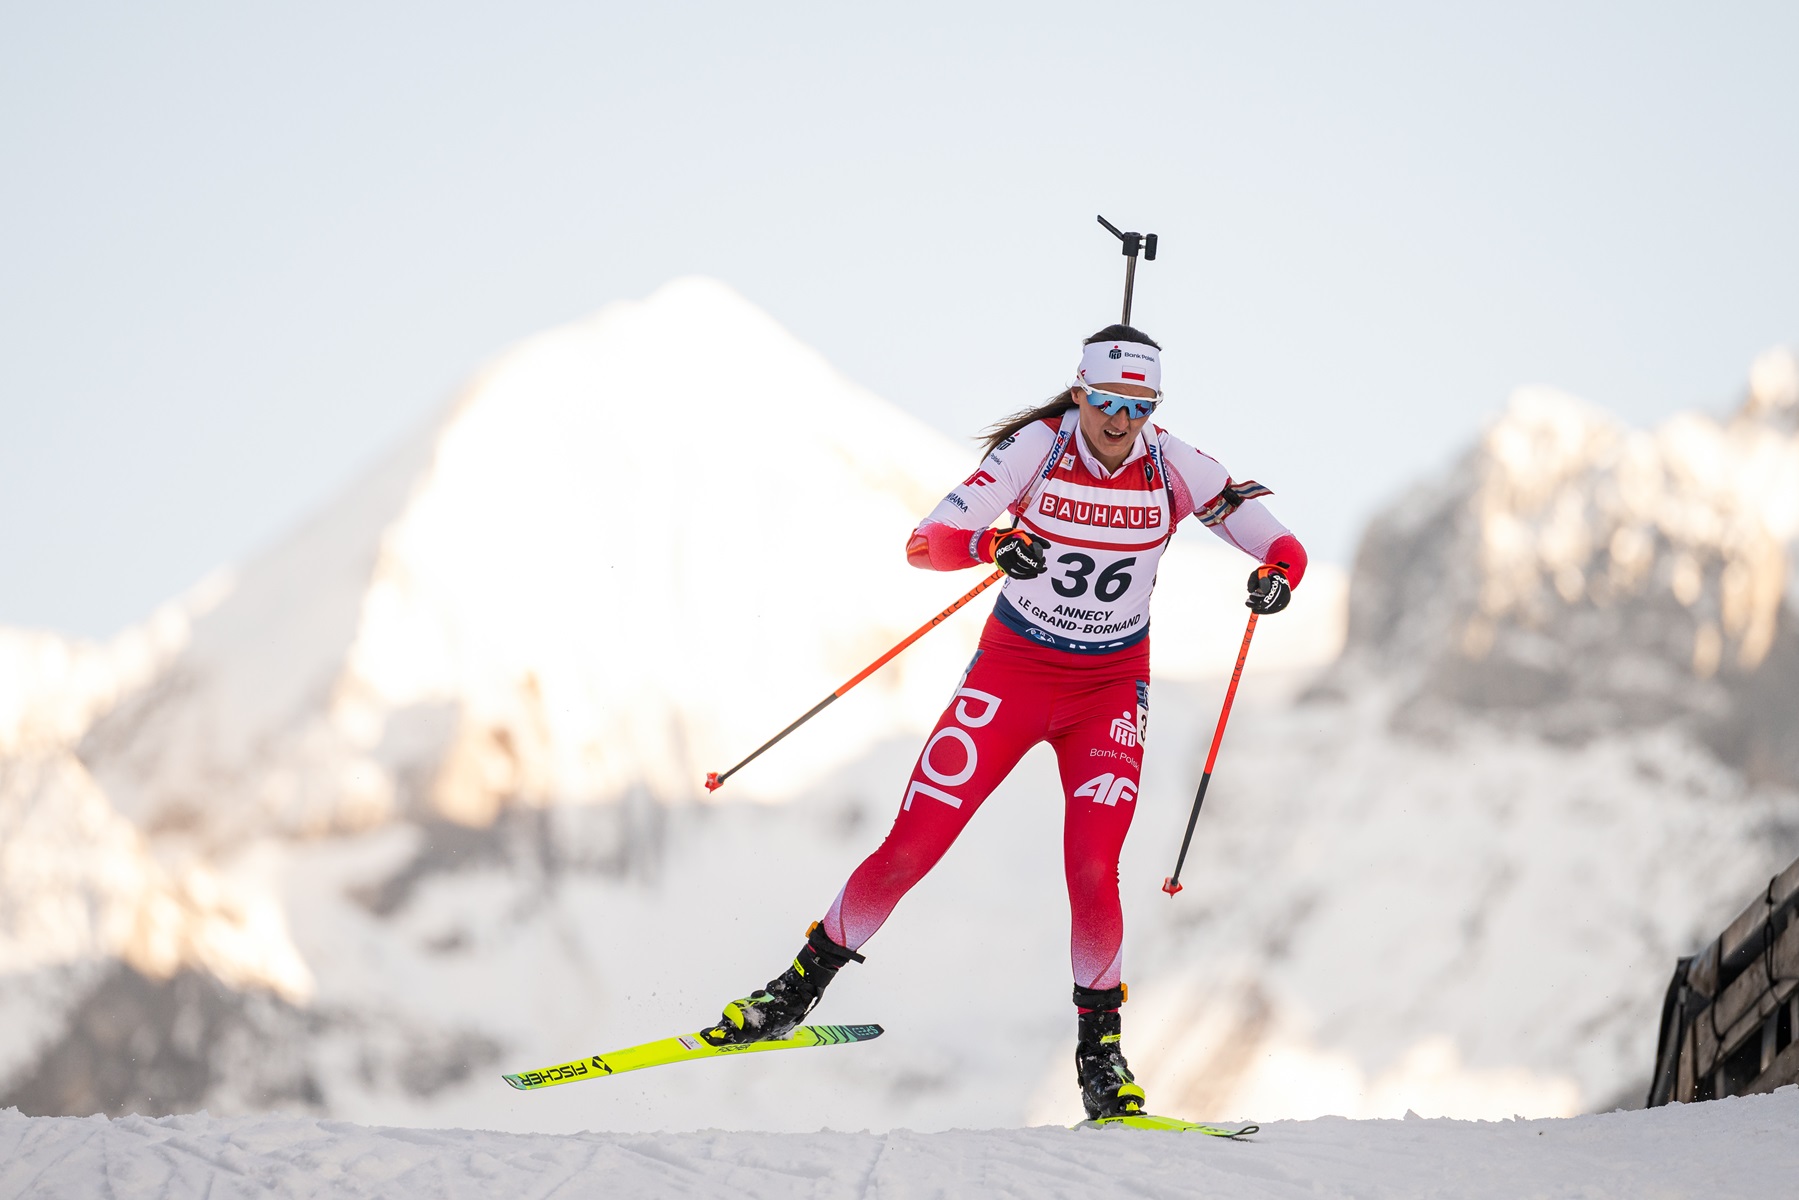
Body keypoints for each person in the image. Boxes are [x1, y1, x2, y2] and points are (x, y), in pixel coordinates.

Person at [702, 324, 1307, 1119]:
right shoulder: (1036, 448)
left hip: (1107, 691)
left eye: (1139, 405)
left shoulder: (1175, 465)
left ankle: (1100, 1059)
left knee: (1093, 870)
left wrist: (1277, 577)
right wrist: (992, 542)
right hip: (1013, 675)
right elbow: (926, 543)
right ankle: (792, 992)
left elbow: (1278, 543)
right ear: (1079, 391)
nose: (1120, 422)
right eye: (1104, 401)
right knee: (910, 846)